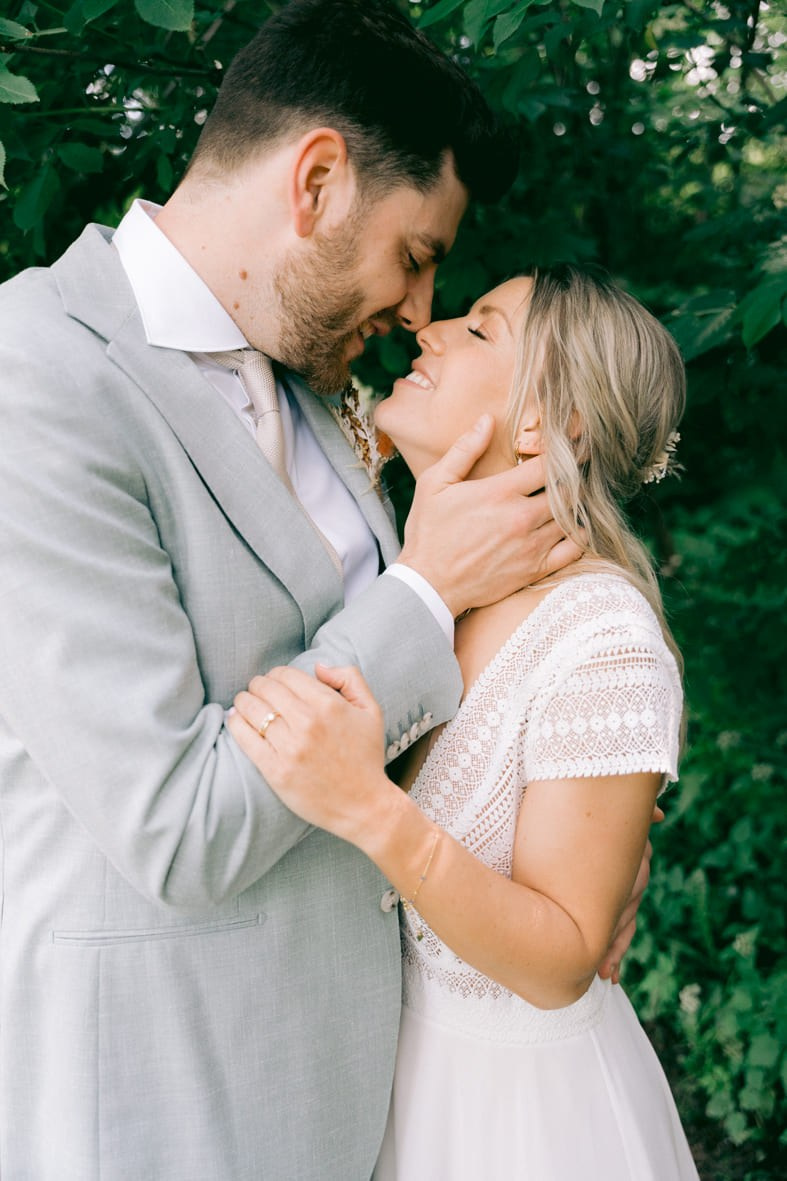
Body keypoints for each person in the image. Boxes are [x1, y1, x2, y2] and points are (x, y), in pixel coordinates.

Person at [0, 2, 647, 1178]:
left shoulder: (316, 378)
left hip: (375, 1089)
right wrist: (422, 587)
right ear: (315, 182)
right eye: (415, 255)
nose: (416, 312)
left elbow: (433, 702)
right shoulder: (35, 376)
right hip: (163, 1095)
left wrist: (568, 838)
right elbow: (175, 822)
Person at [230, 265, 700, 1179]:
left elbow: (564, 955)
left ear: (545, 422)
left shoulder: (600, 634)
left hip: (517, 1121)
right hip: (383, 1081)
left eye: (481, 329)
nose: (430, 329)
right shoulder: (415, 581)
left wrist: (370, 809)